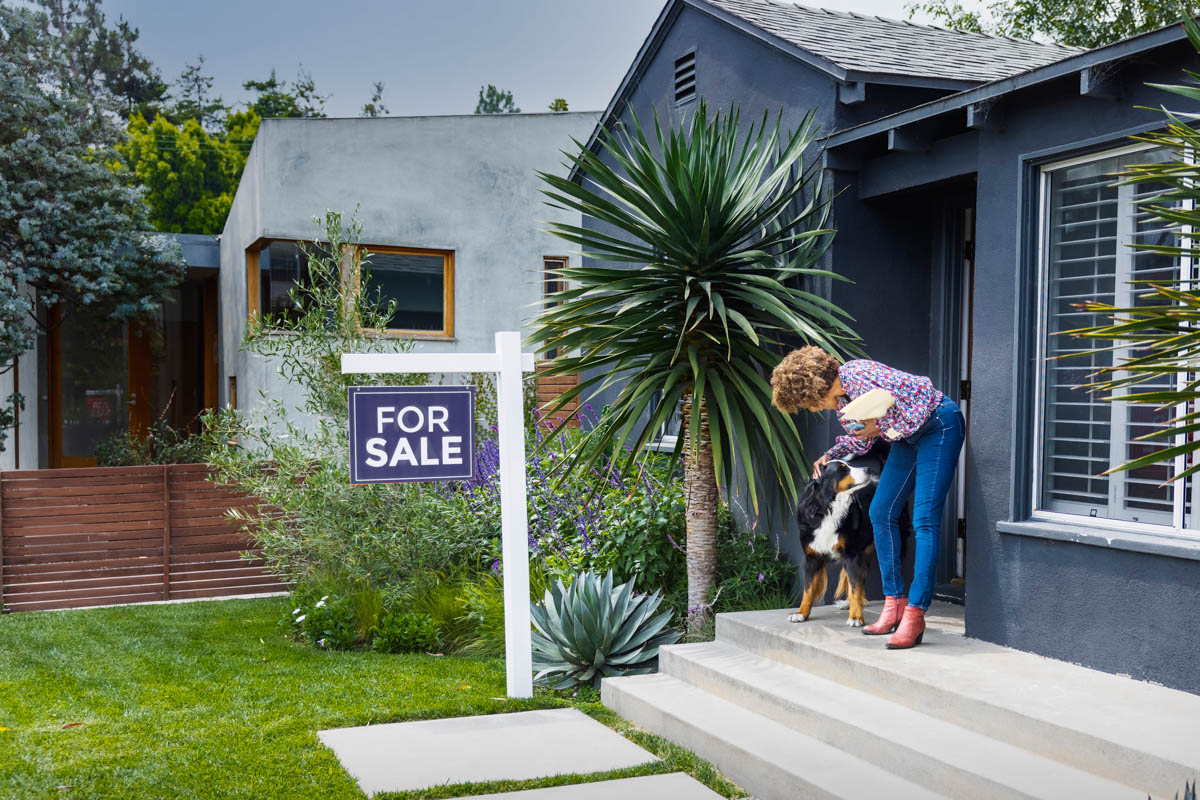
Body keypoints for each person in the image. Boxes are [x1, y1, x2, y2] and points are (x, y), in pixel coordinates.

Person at [769, 346, 965, 650]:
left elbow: (920, 395)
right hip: (906, 438)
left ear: (813, 388)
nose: (813, 409)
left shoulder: (858, 373)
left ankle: (915, 614)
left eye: (808, 404)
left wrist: (881, 424)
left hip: (938, 423)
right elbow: (862, 439)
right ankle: (894, 603)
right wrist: (830, 454)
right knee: (881, 511)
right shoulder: (843, 407)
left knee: (924, 519)